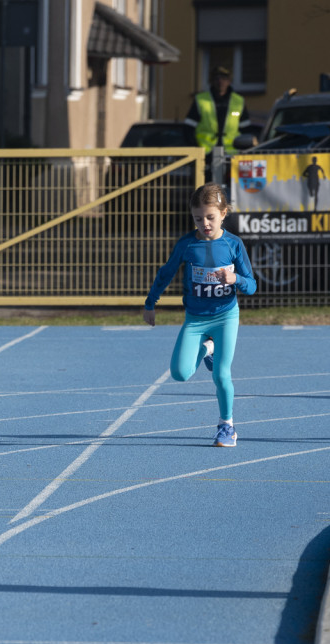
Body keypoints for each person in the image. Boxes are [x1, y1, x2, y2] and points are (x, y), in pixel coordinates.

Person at [142, 183, 257, 447]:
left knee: (221, 375)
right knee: (180, 374)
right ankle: (208, 349)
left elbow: (251, 286)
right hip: (195, 319)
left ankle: (226, 426)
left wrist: (235, 278)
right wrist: (150, 303)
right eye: (198, 218)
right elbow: (166, 273)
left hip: (225, 316)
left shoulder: (234, 244)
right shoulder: (186, 244)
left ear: (224, 213)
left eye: (210, 217)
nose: (204, 223)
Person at [185, 66, 251, 179]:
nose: (220, 82)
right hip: (205, 154)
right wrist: (196, 149)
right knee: (206, 190)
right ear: (212, 81)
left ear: (229, 81)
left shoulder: (238, 101)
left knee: (230, 191)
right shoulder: (201, 99)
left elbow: (246, 130)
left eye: (224, 78)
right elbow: (188, 128)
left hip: (231, 155)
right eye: (217, 78)